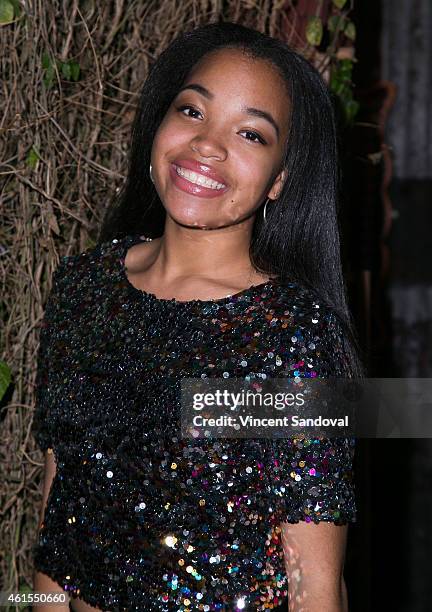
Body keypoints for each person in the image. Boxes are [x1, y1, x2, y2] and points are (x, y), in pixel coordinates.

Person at [32, 21, 364, 612]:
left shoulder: (294, 334)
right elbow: (60, 519)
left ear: (279, 181)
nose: (208, 145)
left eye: (251, 134)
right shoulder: (83, 289)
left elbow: (314, 582)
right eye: (191, 111)